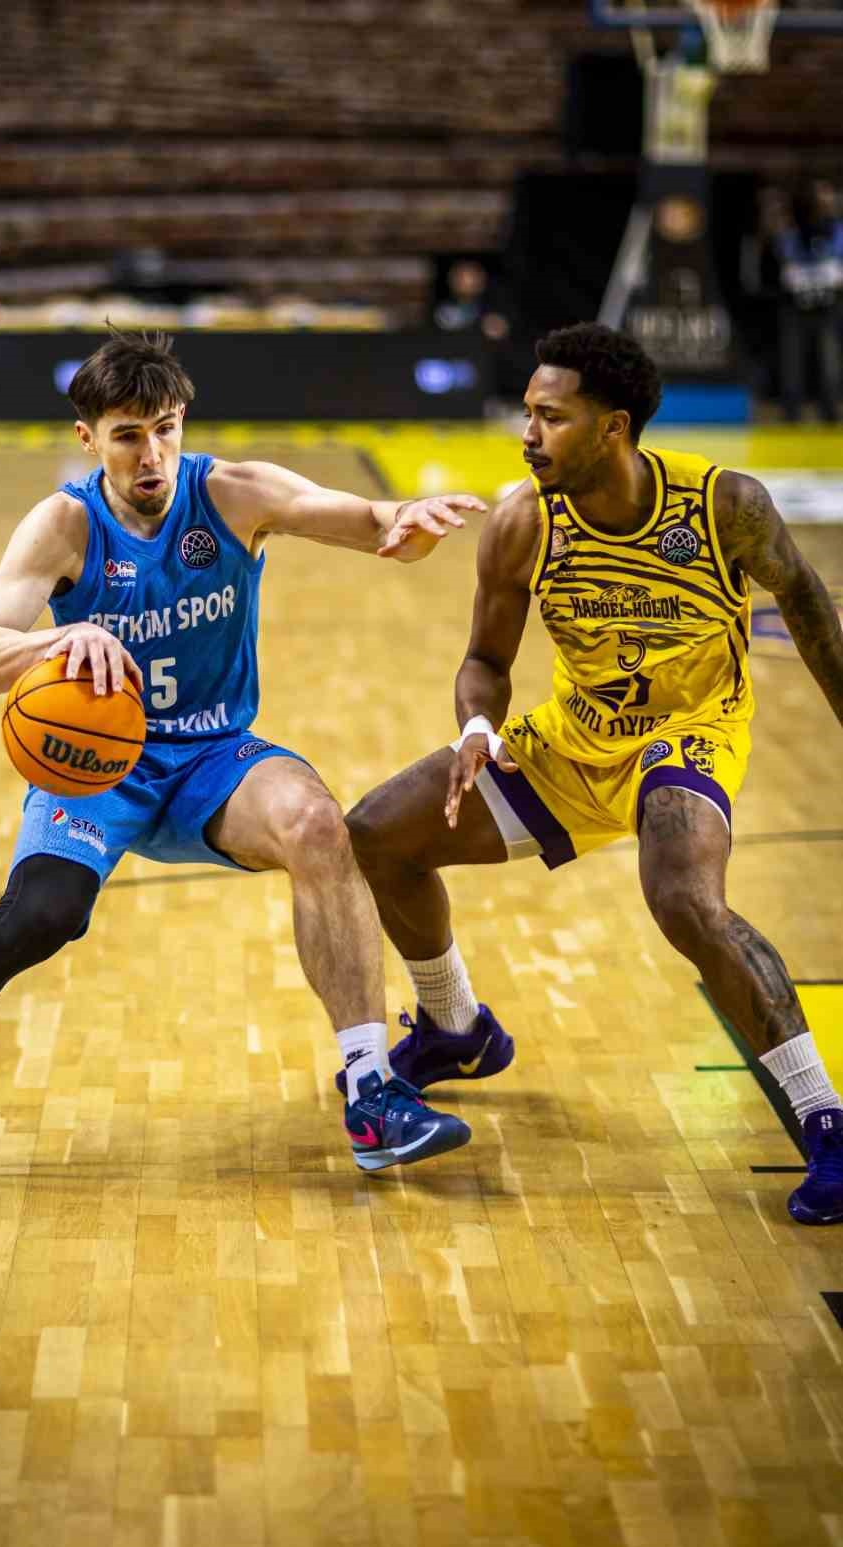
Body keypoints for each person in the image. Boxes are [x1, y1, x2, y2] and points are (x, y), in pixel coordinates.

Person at [0, 328, 487, 1195]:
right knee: (41, 918)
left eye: (165, 428)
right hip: (99, 767)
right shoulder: (66, 525)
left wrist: (404, 523)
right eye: (128, 435)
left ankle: (373, 1090)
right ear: (88, 440)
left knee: (317, 824)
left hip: (214, 757)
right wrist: (61, 638)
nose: (152, 453)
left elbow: (364, 520)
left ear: (183, 422)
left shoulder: (233, 493)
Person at [345, 321, 843, 1227]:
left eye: (550, 417)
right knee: (377, 833)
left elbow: (805, 600)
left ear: (613, 428)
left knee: (685, 901)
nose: (527, 434)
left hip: (686, 735)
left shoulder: (724, 505)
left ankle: (826, 1121)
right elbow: (484, 660)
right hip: (576, 740)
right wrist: (476, 729)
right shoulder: (523, 523)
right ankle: (457, 1027)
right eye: (529, 414)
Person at [771, 178, 843, 423]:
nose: (821, 204)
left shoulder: (837, 231)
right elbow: (783, 266)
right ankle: (791, 413)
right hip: (794, 308)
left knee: (829, 362)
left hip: (827, 307)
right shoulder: (789, 233)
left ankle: (830, 413)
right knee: (792, 362)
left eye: (826, 198)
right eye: (816, 199)